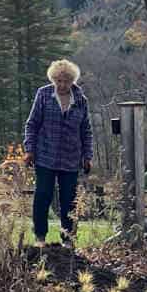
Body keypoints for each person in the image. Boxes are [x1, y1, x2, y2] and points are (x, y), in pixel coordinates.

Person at [22, 59, 94, 245]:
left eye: (66, 81)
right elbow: (32, 124)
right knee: (43, 195)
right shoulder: (44, 95)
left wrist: (88, 156)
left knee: (69, 200)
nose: (62, 85)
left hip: (71, 158)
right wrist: (29, 150)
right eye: (59, 81)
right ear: (53, 79)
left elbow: (86, 130)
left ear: (73, 81)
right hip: (45, 155)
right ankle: (40, 237)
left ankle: (68, 239)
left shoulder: (80, 100)